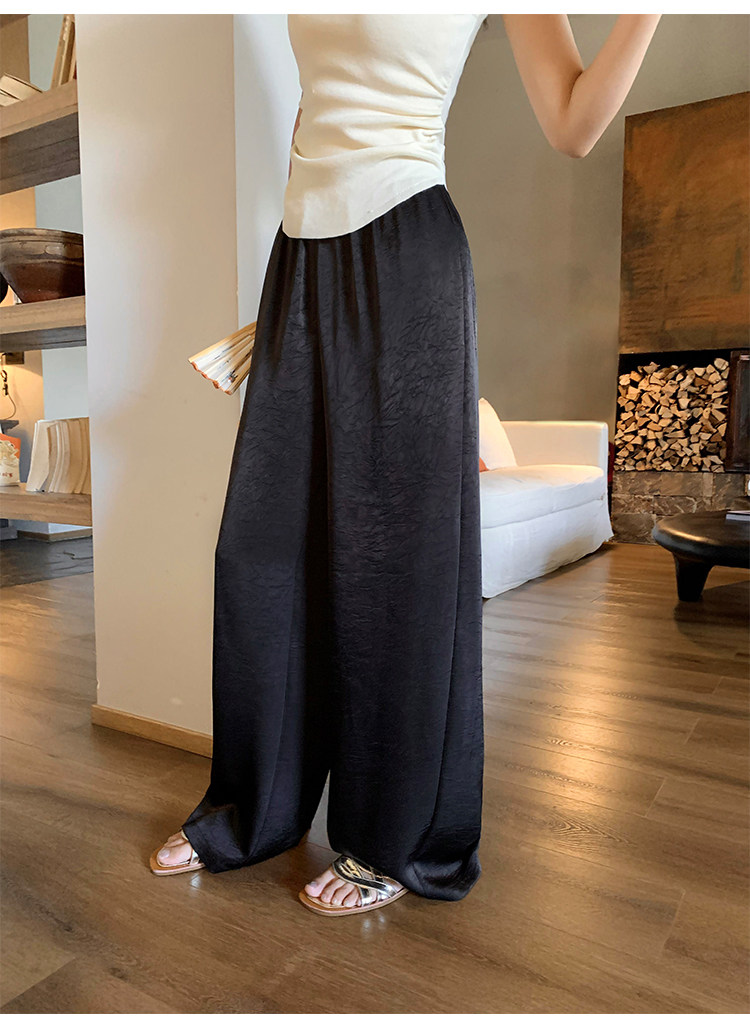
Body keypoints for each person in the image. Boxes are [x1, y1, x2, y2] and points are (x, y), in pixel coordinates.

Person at [150, 13, 662, 916]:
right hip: (300, 260)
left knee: (393, 564)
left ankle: (396, 837)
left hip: (407, 253)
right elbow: (319, 113)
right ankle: (253, 808)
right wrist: (290, 310)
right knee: (262, 547)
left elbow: (575, 124)